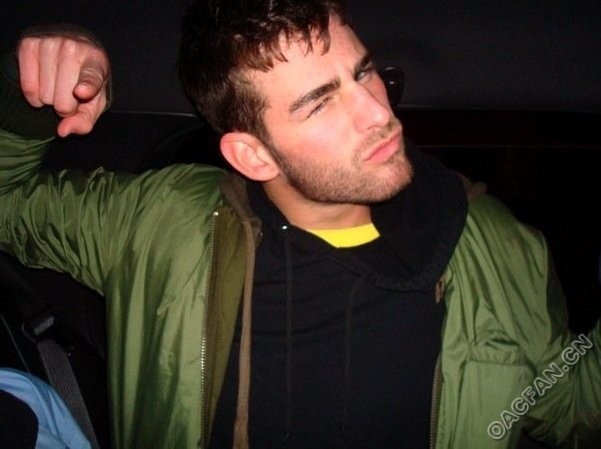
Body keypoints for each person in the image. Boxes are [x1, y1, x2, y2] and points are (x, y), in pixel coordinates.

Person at [0, 1, 600, 448]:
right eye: (319, 102)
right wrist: (28, 98)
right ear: (253, 156)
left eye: (363, 73)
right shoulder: (158, 223)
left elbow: (569, 405)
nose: (378, 112)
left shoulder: (496, 246)